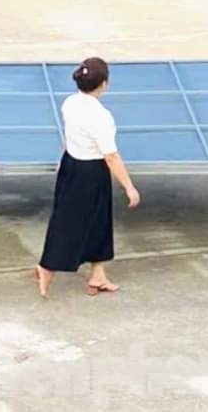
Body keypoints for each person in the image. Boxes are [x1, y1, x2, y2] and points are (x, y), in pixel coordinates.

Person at [35, 58, 140, 299]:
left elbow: (69, 135)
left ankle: (98, 275)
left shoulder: (70, 103)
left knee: (96, 221)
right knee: (73, 222)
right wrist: (129, 187)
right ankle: (46, 266)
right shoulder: (101, 116)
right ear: (104, 83)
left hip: (71, 164)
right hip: (91, 171)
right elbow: (111, 156)